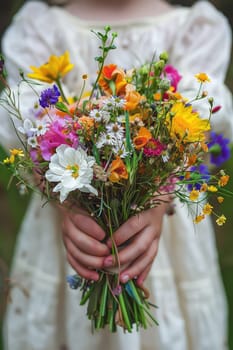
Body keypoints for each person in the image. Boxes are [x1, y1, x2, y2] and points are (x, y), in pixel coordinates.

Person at [1, 0, 233, 349]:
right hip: (72, 238)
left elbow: (199, 127)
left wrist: (157, 199)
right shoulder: (38, 28)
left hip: (166, 238)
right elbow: (30, 130)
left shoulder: (196, 29)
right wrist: (71, 203)